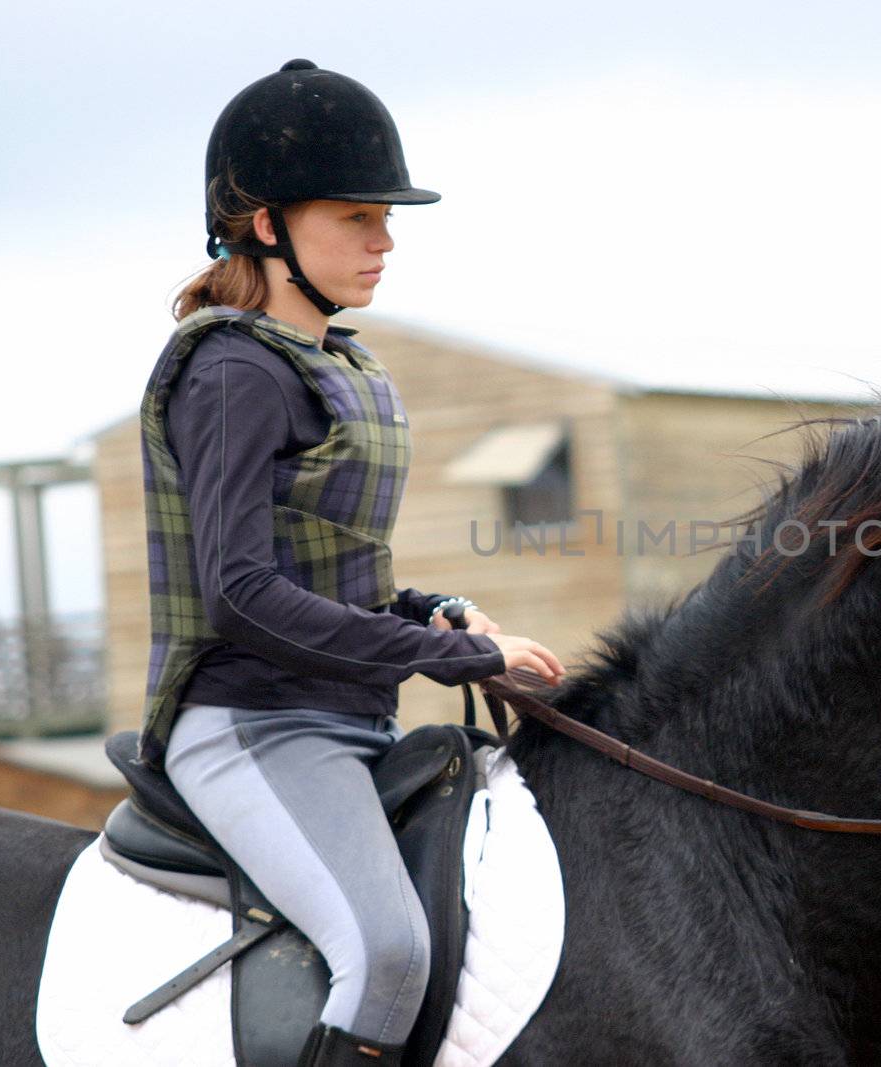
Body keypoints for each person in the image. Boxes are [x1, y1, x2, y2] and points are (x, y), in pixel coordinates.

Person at [137, 59, 567, 1067]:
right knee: (388, 953)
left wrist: (442, 616)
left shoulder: (338, 360)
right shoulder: (234, 372)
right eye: (354, 218)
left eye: (386, 218)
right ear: (265, 224)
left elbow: (332, 574)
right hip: (253, 725)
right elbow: (241, 592)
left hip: (347, 717)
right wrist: (434, 652)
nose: (383, 242)